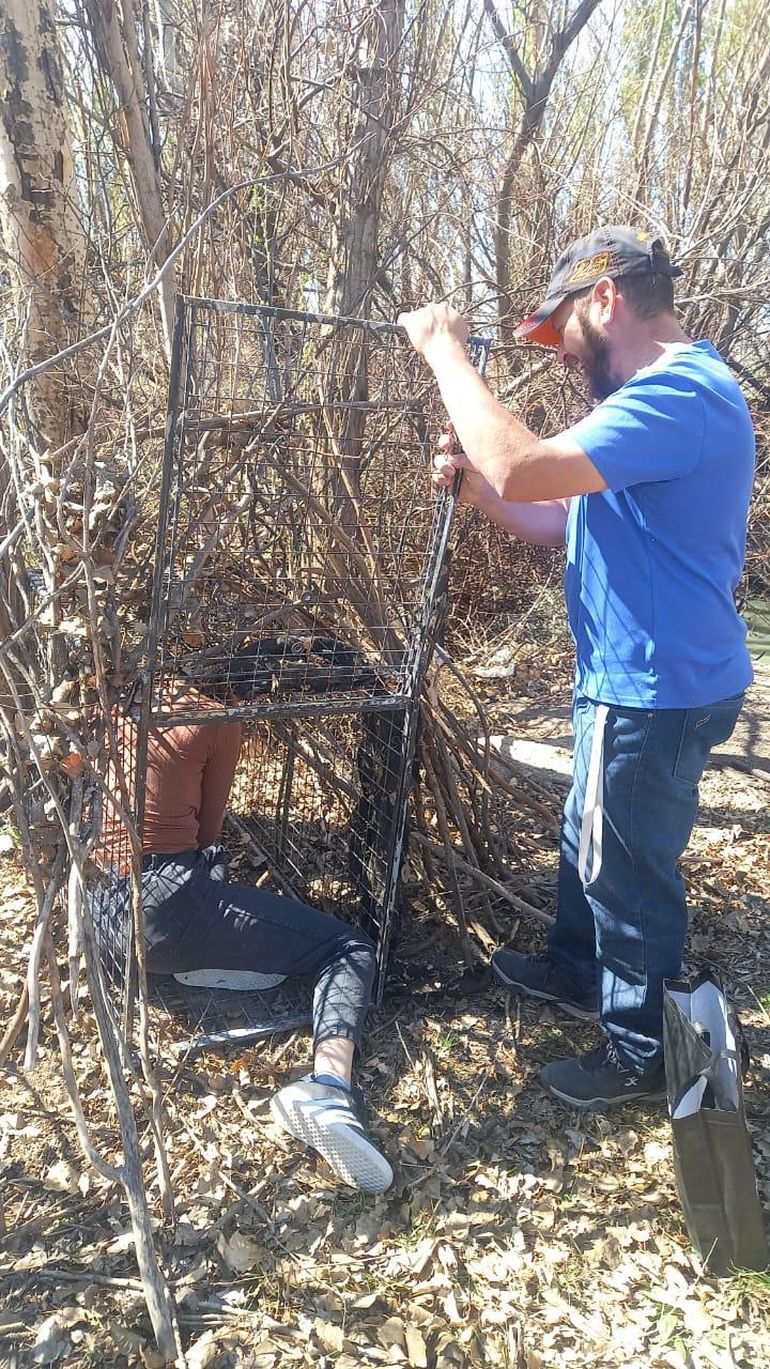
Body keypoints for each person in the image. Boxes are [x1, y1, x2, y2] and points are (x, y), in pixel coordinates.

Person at [398, 225, 755, 1111]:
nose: (560, 354)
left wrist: (446, 350)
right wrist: (479, 493)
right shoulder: (655, 406)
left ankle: (639, 1050)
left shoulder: (682, 395)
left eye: (563, 331)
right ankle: (574, 965)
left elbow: (521, 464)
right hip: (637, 677)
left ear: (606, 299)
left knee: (626, 868)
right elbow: (562, 520)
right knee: (589, 830)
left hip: (655, 686)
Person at [92, 675, 393, 1192]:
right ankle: (327, 1089)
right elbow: (208, 831)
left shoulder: (109, 689)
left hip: (99, 911)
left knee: (208, 883)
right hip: (165, 909)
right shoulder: (215, 715)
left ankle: (204, 963)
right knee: (347, 947)